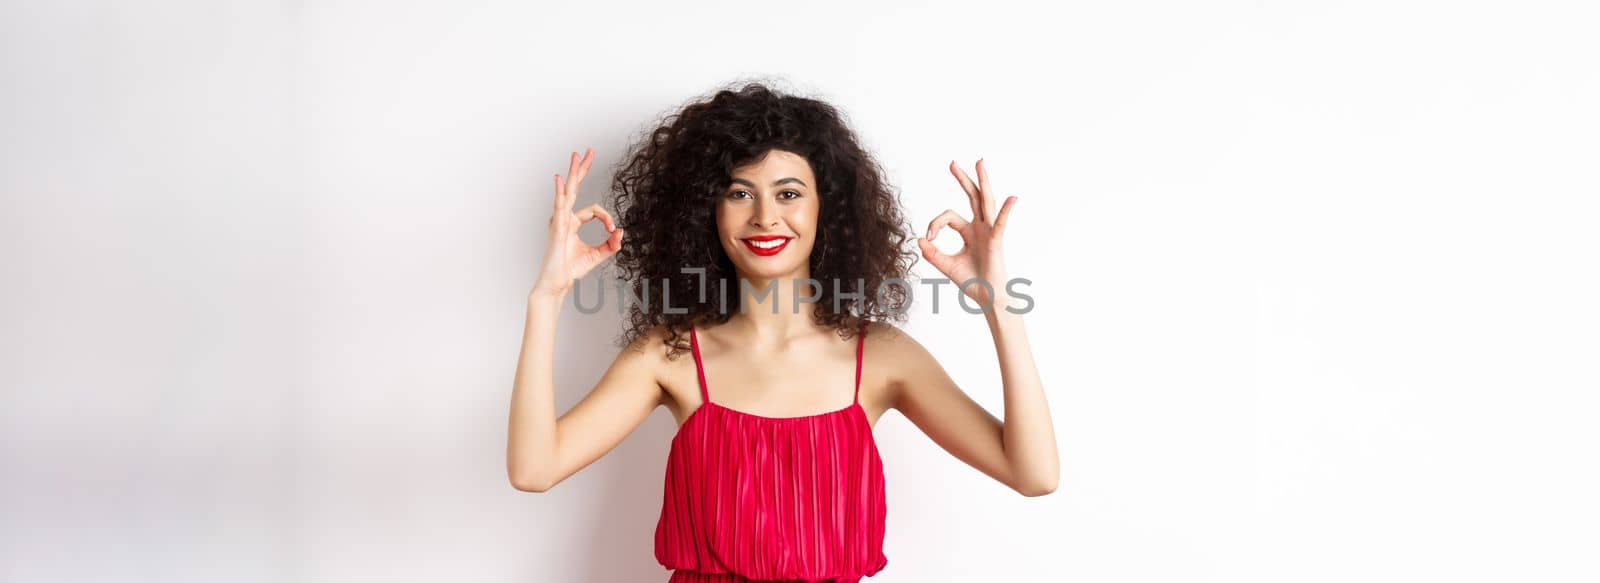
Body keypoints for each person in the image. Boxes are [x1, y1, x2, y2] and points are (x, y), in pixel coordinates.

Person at [506, 82, 1058, 582]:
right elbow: (534, 470)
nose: (765, 217)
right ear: (706, 211)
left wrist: (1000, 307)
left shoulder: (883, 357)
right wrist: (546, 297)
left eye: (789, 193)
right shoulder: (669, 355)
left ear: (827, 208)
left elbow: (1033, 475)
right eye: (739, 193)